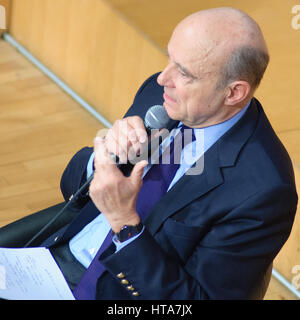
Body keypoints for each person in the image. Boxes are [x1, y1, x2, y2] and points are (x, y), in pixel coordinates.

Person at [2, 7, 298, 300]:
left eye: (185, 73)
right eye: (170, 58)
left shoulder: (264, 191)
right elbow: (74, 189)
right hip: (52, 262)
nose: (162, 78)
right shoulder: (161, 97)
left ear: (234, 92)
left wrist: (125, 224)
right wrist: (103, 161)